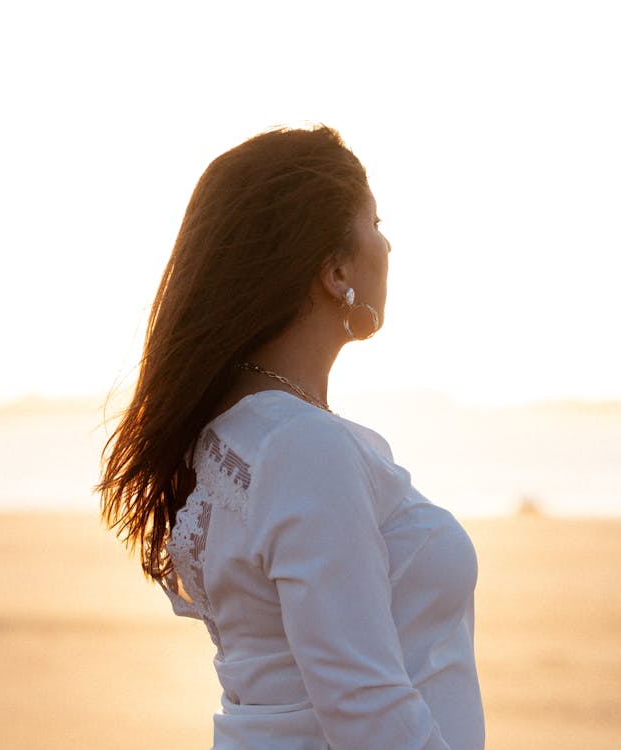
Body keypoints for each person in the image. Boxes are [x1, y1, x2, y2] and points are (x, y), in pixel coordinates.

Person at [98, 125, 485, 749]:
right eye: (376, 221)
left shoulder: (240, 438)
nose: (388, 244)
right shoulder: (302, 448)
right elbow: (367, 712)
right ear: (335, 270)